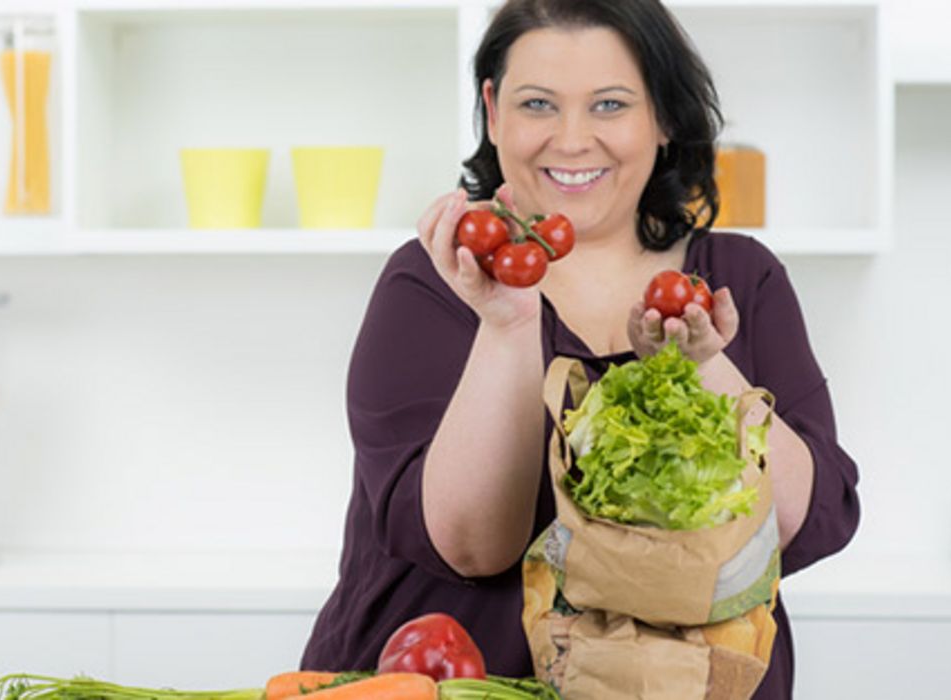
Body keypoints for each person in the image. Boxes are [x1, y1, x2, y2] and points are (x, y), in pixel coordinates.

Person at [300, 0, 860, 697]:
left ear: (662, 117)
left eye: (608, 105)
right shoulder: (432, 282)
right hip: (449, 683)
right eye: (537, 103)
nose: (570, 140)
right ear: (493, 109)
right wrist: (506, 326)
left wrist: (702, 365)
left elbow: (799, 525)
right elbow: (472, 546)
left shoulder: (738, 278)